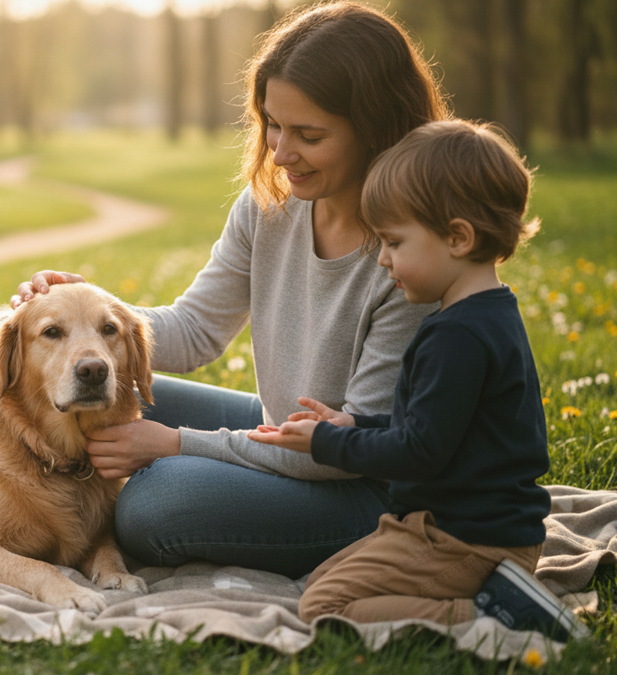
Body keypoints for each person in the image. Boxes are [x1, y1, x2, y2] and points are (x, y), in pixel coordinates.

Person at [12, 1, 448, 578]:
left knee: (151, 507)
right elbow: (194, 329)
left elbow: (348, 452)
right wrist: (92, 317)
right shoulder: (270, 206)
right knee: (117, 389)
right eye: (272, 123)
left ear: (376, 128)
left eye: (309, 134)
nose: (280, 152)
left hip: (364, 486)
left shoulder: (413, 255)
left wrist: (175, 445)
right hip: (281, 432)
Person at [246, 119, 587, 641]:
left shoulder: (456, 338)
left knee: (322, 603)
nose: (383, 259)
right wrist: (354, 420)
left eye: (394, 242)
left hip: (466, 539)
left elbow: (418, 451)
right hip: (467, 529)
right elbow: (436, 422)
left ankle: (493, 615)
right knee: (319, 578)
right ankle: (490, 593)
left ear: (457, 237)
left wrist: (328, 441)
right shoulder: (486, 314)